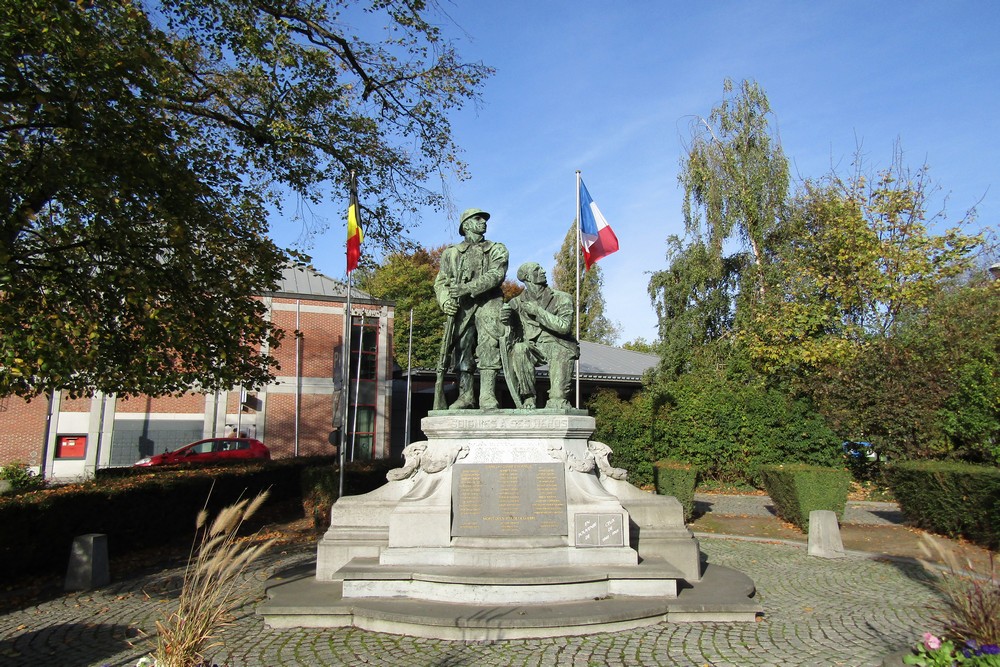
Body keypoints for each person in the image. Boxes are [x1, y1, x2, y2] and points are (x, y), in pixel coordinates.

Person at [433, 208, 509, 409]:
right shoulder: (451, 253)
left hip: (489, 302)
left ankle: (487, 395)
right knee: (462, 349)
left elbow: (497, 274)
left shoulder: (496, 249)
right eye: (478, 218)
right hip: (462, 307)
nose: (483, 221)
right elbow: (441, 282)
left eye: (484, 218)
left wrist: (467, 288)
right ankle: (465, 396)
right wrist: (445, 301)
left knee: (488, 346)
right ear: (466, 225)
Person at [501, 261, 579, 409]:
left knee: (558, 401)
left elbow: (564, 327)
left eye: (542, 268)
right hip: (533, 347)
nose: (543, 271)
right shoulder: (516, 303)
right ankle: (529, 398)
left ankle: (558, 397)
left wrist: (538, 311)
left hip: (558, 344)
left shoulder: (562, 298)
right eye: (537, 269)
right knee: (519, 349)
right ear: (527, 277)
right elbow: (505, 332)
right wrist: (504, 319)